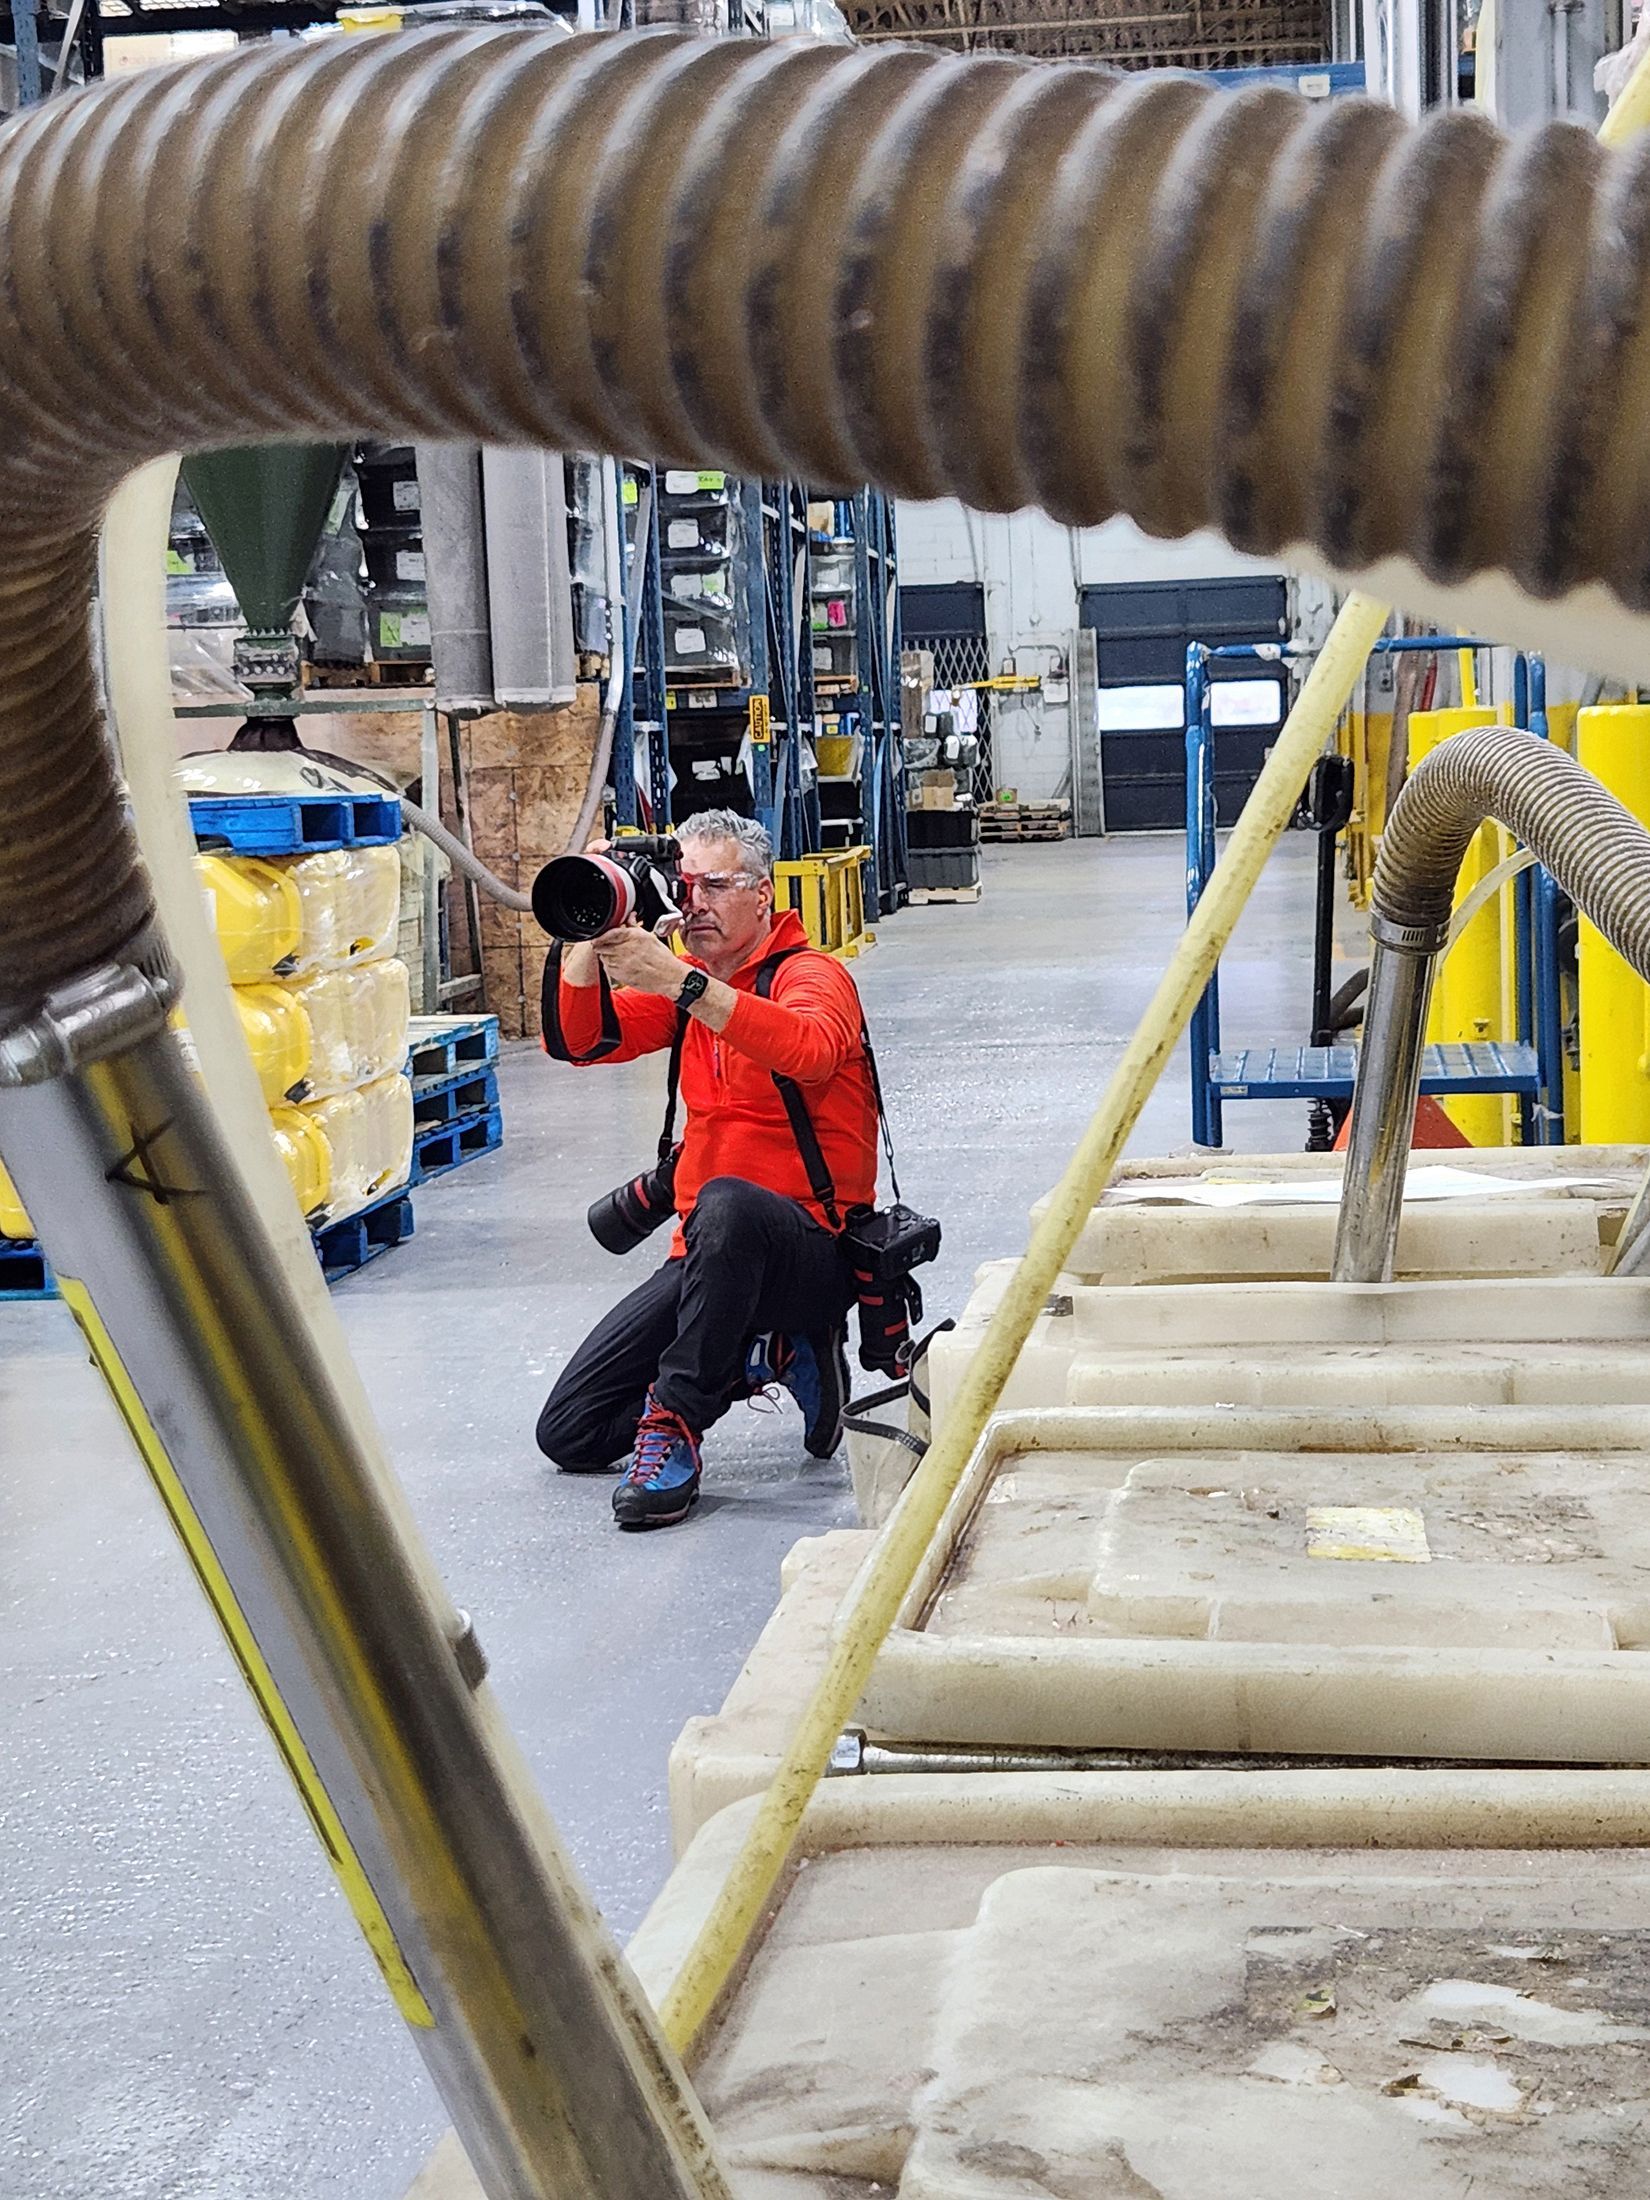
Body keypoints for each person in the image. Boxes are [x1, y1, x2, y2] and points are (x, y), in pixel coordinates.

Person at [537, 810, 879, 1530]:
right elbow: (578, 1042)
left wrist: (682, 984)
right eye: (685, 885)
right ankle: (770, 1355)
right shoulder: (687, 988)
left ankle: (677, 1422)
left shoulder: (812, 975)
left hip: (812, 1250)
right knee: (570, 1431)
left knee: (725, 1201)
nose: (695, 904)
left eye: (715, 885)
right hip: (709, 1255)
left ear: (763, 893)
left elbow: (812, 1048)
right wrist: (587, 930)